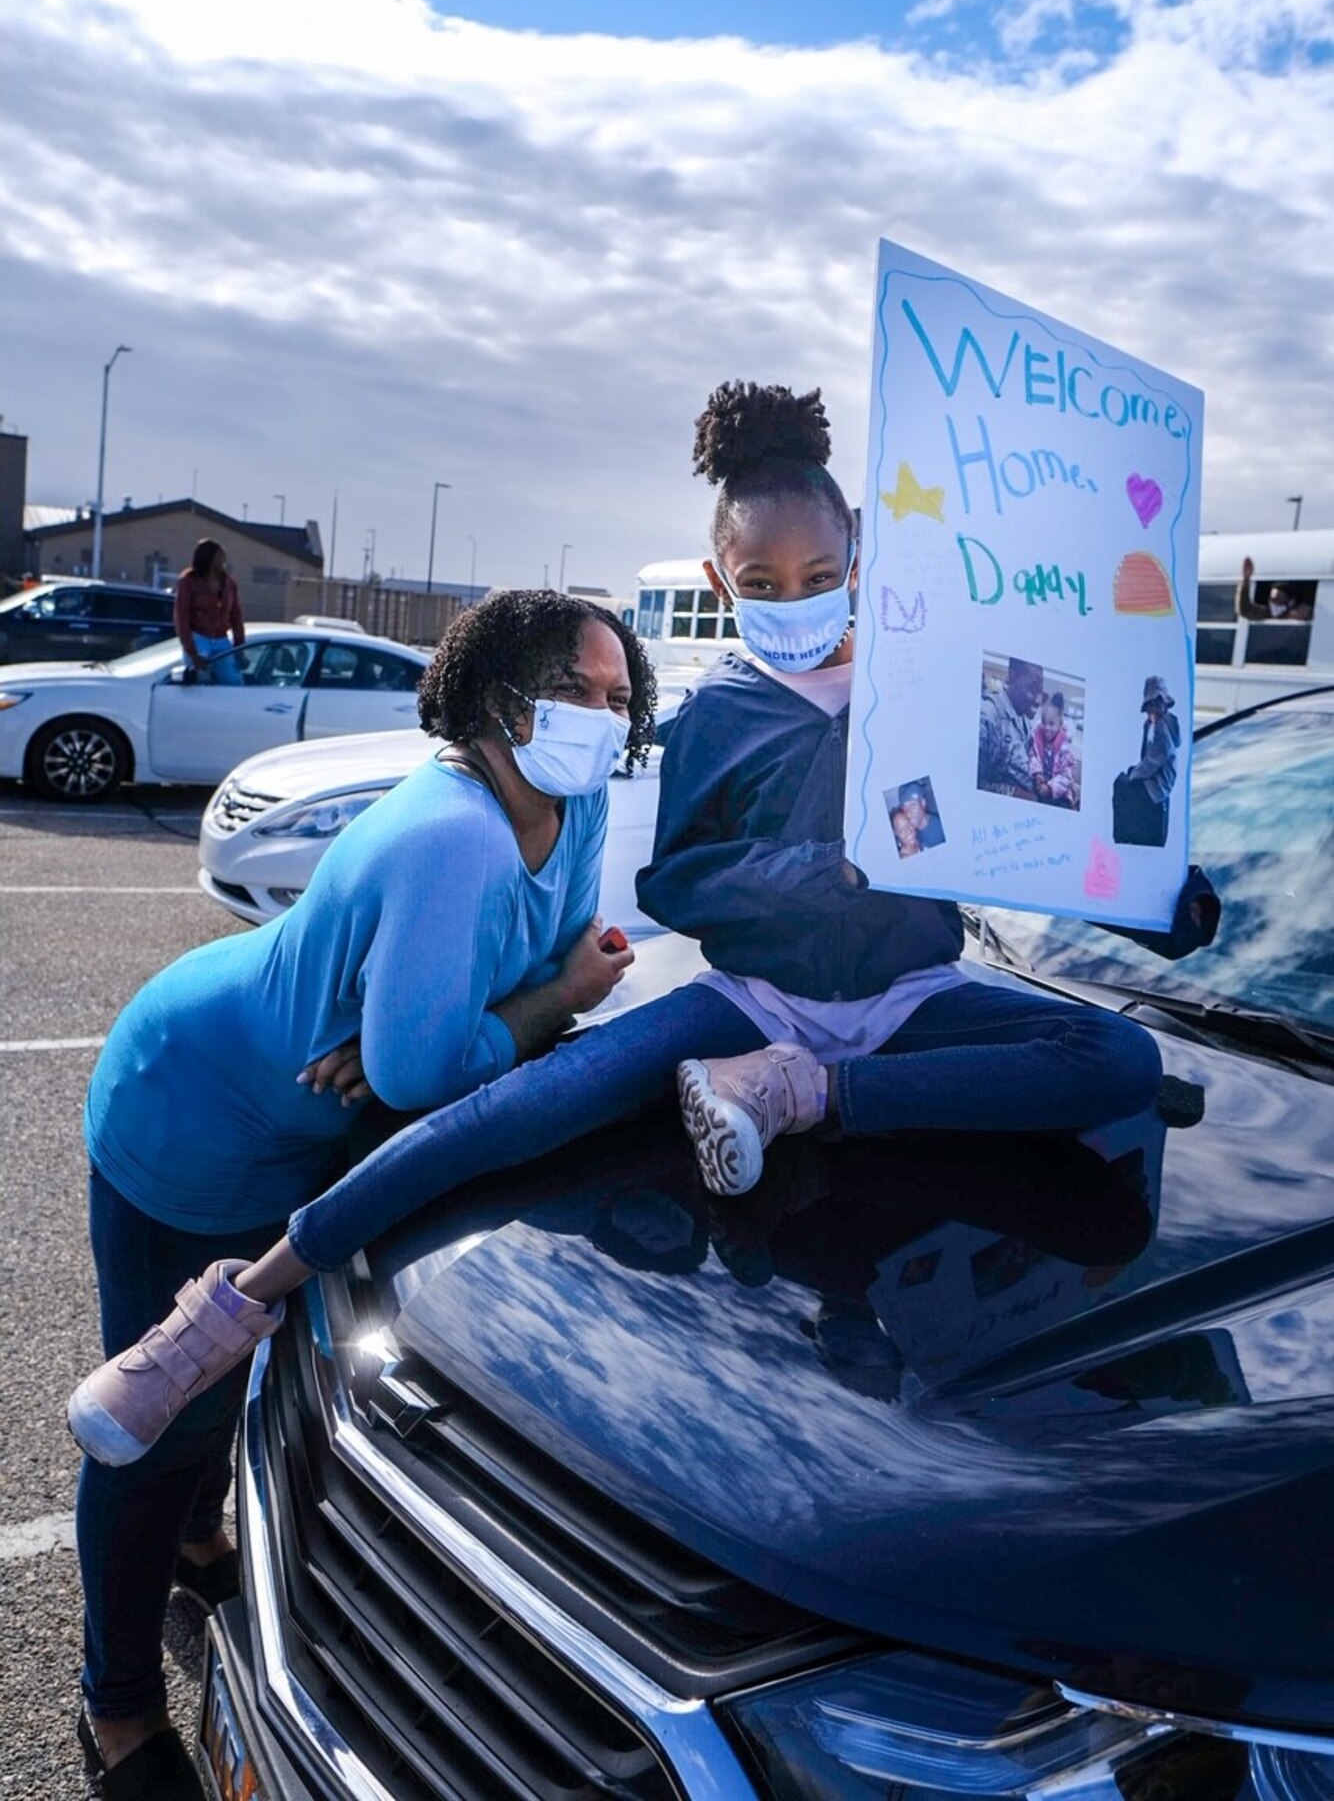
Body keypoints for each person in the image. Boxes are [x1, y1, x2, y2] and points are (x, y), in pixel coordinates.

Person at [71, 382, 1216, 1593]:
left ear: (860, 557)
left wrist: (1151, 888)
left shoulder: (936, 684)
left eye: (818, 573)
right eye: (759, 585)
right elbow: (681, 879)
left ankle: (805, 1095)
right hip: (754, 998)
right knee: (513, 1111)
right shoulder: (719, 708)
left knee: (1117, 1062)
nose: (791, 602)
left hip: (902, 1004)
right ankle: (223, 1313)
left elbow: (1037, 822)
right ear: (723, 585)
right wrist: (833, 862)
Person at [65, 590, 652, 1801]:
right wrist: (519, 1012)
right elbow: (459, 1045)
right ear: (495, 701)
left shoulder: (574, 804)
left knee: (255, 1371)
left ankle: (195, 1536)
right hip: (193, 1108)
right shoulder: (454, 833)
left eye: (615, 694)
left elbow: (522, 979)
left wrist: (457, 1018)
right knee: (164, 1400)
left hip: (299, 1116)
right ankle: (116, 1699)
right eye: (575, 691)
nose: (604, 715)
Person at [1112, 675, 1180, 848]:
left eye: (1158, 703)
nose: (1154, 707)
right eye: (1151, 704)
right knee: (1125, 776)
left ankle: (1123, 836)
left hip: (1158, 784)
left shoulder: (1163, 727)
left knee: (1122, 786)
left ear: (1164, 703)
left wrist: (1134, 775)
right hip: (1152, 774)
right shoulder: (1150, 724)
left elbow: (1154, 760)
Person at [173, 539, 246, 684]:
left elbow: (236, 617)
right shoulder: (189, 581)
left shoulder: (229, 584)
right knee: (199, 681)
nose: (224, 560)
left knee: (234, 681)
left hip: (221, 639)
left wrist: (239, 647)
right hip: (199, 638)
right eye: (220, 556)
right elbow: (182, 617)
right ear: (209, 558)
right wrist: (192, 652)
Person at [977, 656, 1044, 796]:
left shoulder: (1024, 720)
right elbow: (972, 782)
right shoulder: (988, 717)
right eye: (1032, 689)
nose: (1037, 700)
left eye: (1039, 692)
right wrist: (1014, 794)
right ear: (1011, 677)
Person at [1029, 690, 1078, 808]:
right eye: (1044, 722)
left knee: (1063, 805)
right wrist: (1037, 773)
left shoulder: (1065, 746)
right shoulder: (1037, 739)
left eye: (1051, 724)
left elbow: (1067, 775)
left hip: (1060, 793)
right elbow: (1032, 756)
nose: (1047, 728)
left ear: (1060, 724)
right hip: (1040, 786)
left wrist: (1050, 788)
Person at [1236, 556, 1312, 622]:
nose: (1274, 604)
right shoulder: (1266, 613)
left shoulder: (1295, 614)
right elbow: (1245, 610)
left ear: (1291, 601)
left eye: (1279, 599)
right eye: (1273, 600)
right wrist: (1246, 581)